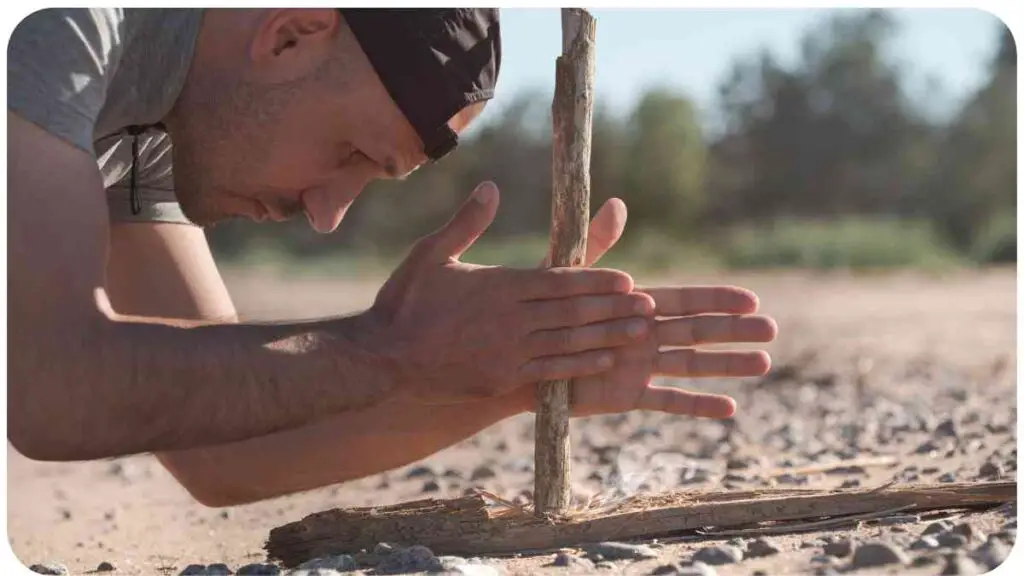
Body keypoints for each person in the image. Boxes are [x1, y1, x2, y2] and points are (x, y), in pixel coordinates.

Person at [8, 8, 778, 507]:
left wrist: (506, 376)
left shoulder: (145, 136)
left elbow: (223, 456)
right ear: (290, 33)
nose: (323, 213)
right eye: (348, 151)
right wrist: (389, 345)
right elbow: (48, 390)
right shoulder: (60, 29)